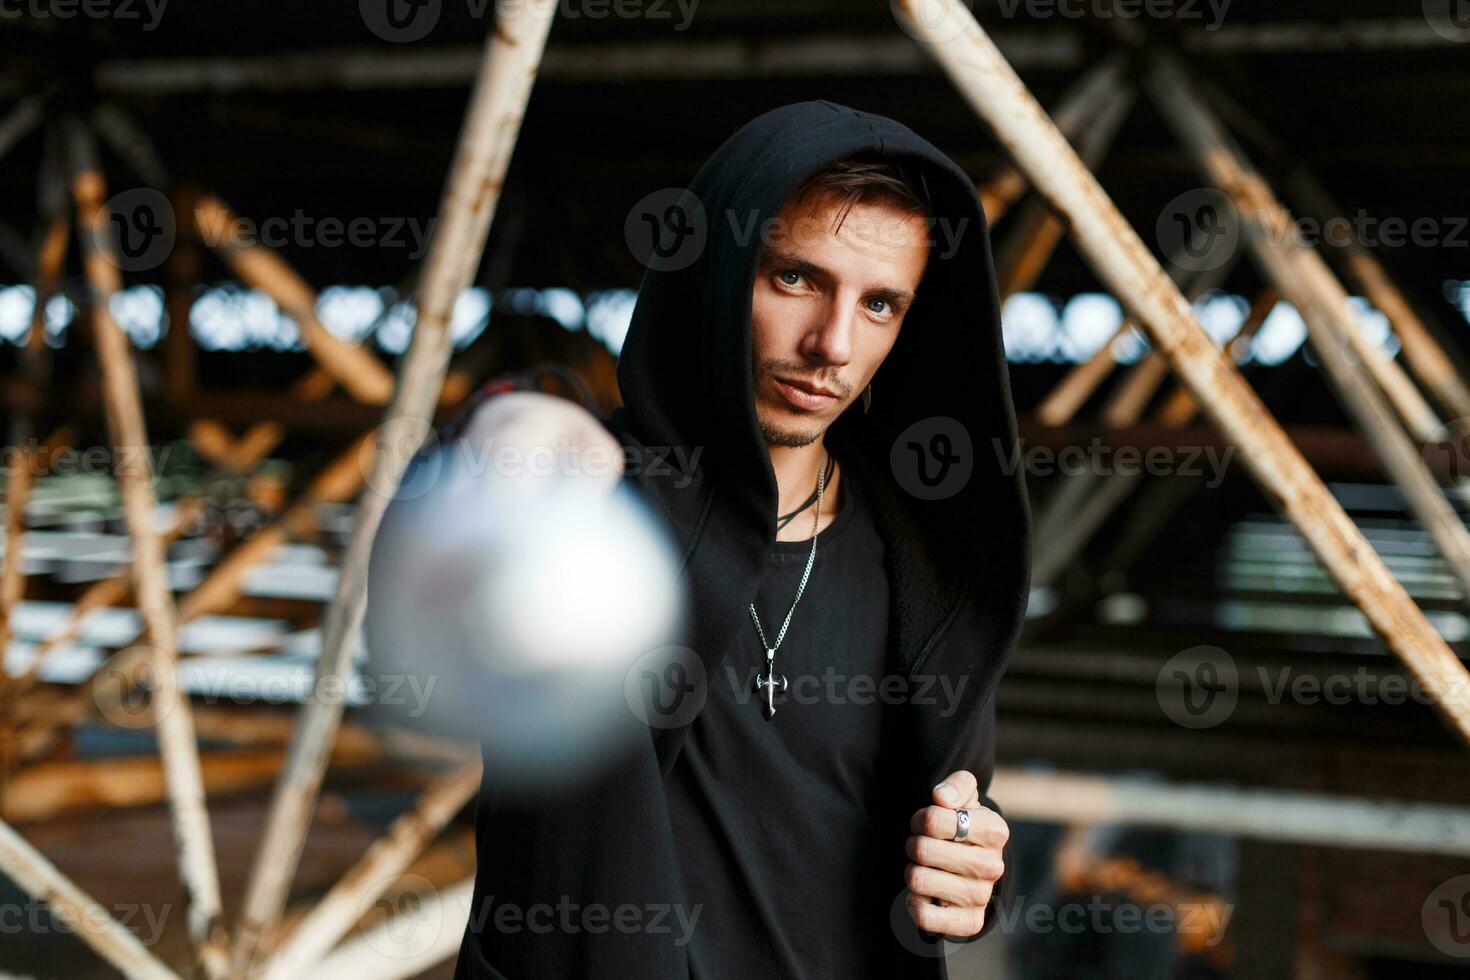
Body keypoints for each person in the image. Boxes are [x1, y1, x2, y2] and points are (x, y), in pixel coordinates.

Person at [433, 100, 1032, 979]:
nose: (832, 344)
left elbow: (960, 819)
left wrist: (976, 876)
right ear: (716, 272)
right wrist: (505, 418)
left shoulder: (930, 568)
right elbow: (482, 479)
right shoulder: (601, 510)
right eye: (794, 279)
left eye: (879, 304)